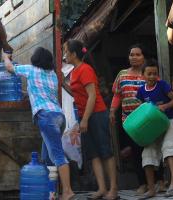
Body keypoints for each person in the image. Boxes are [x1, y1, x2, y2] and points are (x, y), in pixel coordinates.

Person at [3, 47, 74, 200]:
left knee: (58, 155)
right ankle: (51, 193)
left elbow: (9, 68)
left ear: (35, 59)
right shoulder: (53, 75)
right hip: (58, 116)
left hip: (45, 116)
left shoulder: (30, 69)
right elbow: (41, 92)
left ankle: (68, 191)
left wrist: (5, 57)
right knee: (47, 158)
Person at [64, 39, 118, 200]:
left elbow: (92, 96)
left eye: (66, 51)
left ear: (73, 54)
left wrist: (85, 119)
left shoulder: (85, 69)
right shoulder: (74, 71)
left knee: (105, 152)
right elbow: (78, 94)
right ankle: (102, 188)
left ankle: (113, 189)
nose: (64, 54)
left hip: (96, 114)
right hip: (85, 115)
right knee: (93, 153)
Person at [109, 44, 150, 194]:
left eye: (137, 55)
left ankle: (156, 181)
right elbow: (117, 95)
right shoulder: (122, 74)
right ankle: (142, 184)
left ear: (143, 57)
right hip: (130, 121)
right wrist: (112, 111)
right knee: (136, 152)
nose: (134, 57)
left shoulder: (149, 74)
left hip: (147, 120)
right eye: (131, 54)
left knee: (150, 151)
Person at [136, 59, 173, 198]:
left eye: (155, 73)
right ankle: (151, 188)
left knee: (169, 147)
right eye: (149, 74)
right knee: (147, 153)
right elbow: (142, 109)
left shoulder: (163, 85)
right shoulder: (141, 91)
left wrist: (164, 107)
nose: (152, 76)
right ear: (143, 75)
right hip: (154, 126)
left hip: (169, 120)